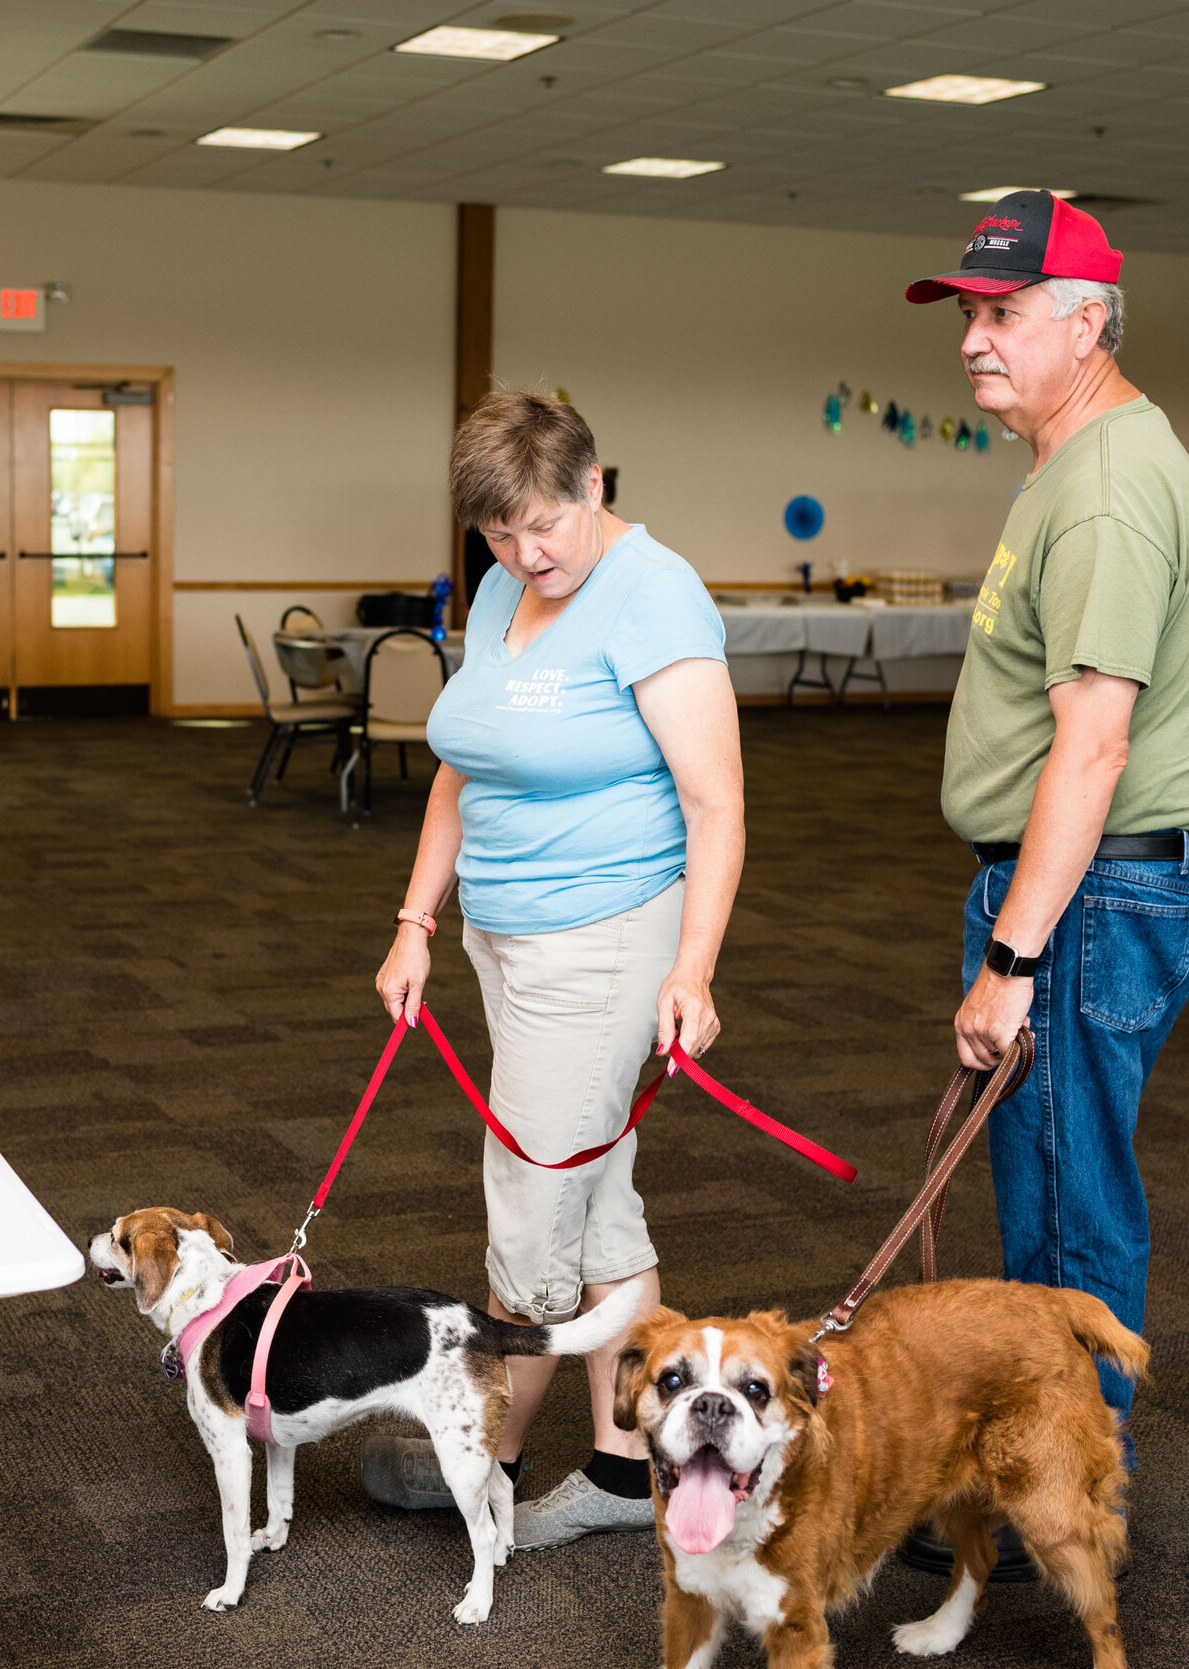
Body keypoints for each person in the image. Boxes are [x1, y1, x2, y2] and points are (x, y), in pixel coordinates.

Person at [901, 191, 1189, 1573]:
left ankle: (1074, 1503)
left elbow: (1093, 742)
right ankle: (1045, 1475)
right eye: (970, 313)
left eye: (1004, 314)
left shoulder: (1103, 484)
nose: (975, 340)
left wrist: (1014, 957)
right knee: (1044, 1199)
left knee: (1071, 1209)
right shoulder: (1077, 459)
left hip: (1084, 906)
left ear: (1085, 322)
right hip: (1077, 896)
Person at [360, 392, 744, 1550]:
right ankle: (633, 1470)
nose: (525, 555)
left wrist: (694, 970)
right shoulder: (502, 590)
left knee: (533, 1213)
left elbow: (715, 802)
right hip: (506, 932)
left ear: (592, 485)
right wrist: (416, 918)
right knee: (596, 1209)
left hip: (607, 937)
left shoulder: (653, 592)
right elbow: (460, 765)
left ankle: (490, 1453)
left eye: (541, 526)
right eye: (496, 535)